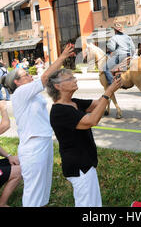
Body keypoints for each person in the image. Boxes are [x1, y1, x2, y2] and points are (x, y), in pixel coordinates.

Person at [2, 43, 75, 207]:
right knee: (33, 189)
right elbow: (45, 77)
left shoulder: (31, 93)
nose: (30, 75)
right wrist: (62, 57)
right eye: (25, 74)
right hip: (33, 146)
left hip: (43, 142)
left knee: (42, 187)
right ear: (17, 82)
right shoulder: (20, 93)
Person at [46, 69, 122, 207]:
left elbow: (99, 103)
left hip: (86, 162)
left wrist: (112, 87)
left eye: (73, 77)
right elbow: (91, 121)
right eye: (69, 78)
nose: (75, 80)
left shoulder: (73, 102)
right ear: (58, 86)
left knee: (94, 203)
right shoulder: (59, 111)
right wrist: (109, 92)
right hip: (79, 166)